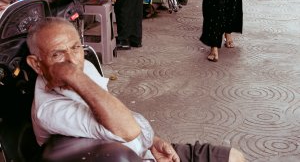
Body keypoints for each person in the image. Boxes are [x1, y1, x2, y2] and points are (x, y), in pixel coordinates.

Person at [26, 17, 246, 162]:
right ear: (36, 64)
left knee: (235, 157)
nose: (72, 60)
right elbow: (126, 130)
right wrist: (73, 75)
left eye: (75, 47)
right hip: (128, 156)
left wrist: (152, 140)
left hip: (147, 150)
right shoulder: (49, 110)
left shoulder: (86, 66)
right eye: (57, 55)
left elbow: (117, 111)